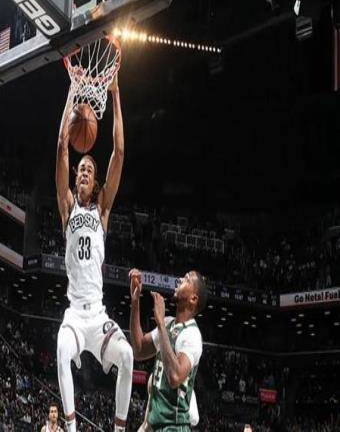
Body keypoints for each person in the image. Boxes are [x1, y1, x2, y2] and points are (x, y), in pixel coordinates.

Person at [55, 71, 133, 432]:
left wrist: (115, 94)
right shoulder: (67, 208)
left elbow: (119, 151)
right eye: (81, 169)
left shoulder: (102, 210)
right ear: (75, 178)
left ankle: (118, 429)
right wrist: (72, 91)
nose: (84, 172)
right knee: (61, 351)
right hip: (74, 314)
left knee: (128, 356)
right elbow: (61, 146)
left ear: (96, 180)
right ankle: (71, 427)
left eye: (89, 169)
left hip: (98, 316)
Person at [129, 269, 207, 431]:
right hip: (157, 425)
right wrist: (135, 301)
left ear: (193, 298)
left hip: (174, 426)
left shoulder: (191, 334)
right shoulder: (168, 323)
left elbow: (175, 377)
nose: (179, 280)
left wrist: (160, 324)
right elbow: (139, 350)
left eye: (186, 279)